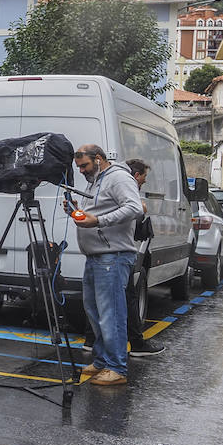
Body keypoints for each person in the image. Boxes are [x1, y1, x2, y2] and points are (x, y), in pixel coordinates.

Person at [72, 144, 145, 386]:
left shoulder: (118, 178)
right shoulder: (95, 179)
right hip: (97, 255)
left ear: (99, 159)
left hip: (112, 256)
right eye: (79, 167)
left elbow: (135, 208)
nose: (81, 171)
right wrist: (76, 211)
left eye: (84, 165)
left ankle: (117, 367)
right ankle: (103, 361)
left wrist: (98, 221)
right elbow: (97, 210)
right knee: (95, 312)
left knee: (111, 313)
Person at [124, 159, 165, 357]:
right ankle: (136, 343)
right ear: (136, 175)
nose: (145, 182)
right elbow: (129, 212)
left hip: (115, 251)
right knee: (129, 296)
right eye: (144, 177)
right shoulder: (127, 187)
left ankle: (91, 340)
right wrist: (142, 208)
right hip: (121, 252)